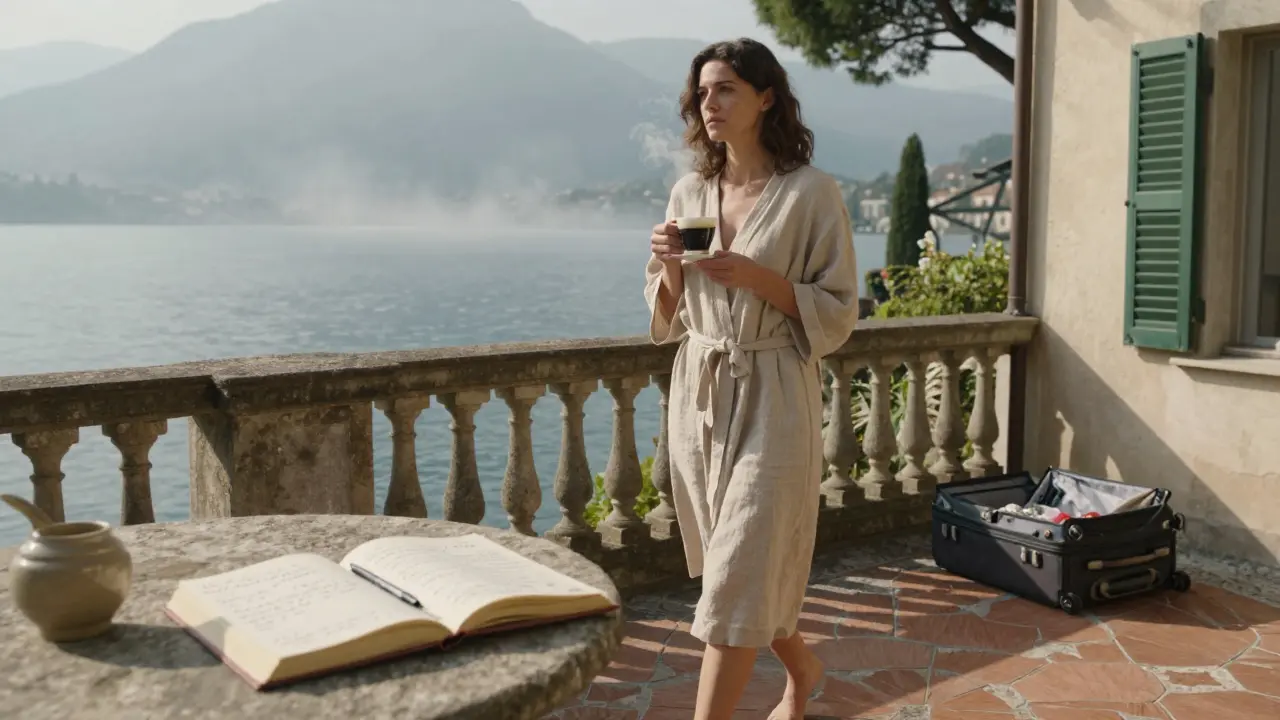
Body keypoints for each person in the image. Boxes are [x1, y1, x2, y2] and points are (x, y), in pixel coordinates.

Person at [643, 37, 860, 720]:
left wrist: (765, 282)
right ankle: (803, 669)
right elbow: (670, 314)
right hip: (701, 393)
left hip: (774, 393)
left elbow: (842, 307)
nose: (710, 102)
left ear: (767, 97)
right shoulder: (690, 191)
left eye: (727, 88)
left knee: (739, 570)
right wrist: (670, 266)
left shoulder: (811, 194)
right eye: (703, 91)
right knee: (738, 566)